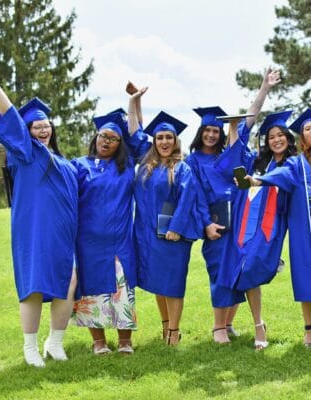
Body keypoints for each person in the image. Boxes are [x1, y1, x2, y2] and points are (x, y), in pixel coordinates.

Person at [0, 67, 78, 367]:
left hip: (63, 235)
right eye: (36, 127)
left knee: (68, 283)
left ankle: (55, 342)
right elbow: (8, 114)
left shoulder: (64, 163)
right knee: (33, 287)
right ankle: (30, 347)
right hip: (33, 231)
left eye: (46, 125)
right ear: (26, 133)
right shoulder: (26, 153)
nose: (43, 130)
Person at [185, 68, 281, 344]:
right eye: (208, 131)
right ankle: (218, 327)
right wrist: (206, 224)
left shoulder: (234, 151)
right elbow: (196, 196)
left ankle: (228, 324)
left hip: (241, 220)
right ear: (201, 132)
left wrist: (264, 88)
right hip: (216, 223)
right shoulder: (193, 162)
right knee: (218, 272)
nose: (212, 135)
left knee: (240, 270)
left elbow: (249, 119)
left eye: (217, 130)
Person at [249, 108, 311, 349]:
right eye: (307, 129)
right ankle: (308, 330)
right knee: (307, 278)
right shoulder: (296, 163)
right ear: (303, 138)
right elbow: (280, 173)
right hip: (303, 232)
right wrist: (257, 180)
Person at [214, 110, 296, 349]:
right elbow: (235, 156)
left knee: (250, 268)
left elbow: (286, 177)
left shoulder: (292, 162)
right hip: (244, 223)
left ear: (288, 138)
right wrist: (232, 128)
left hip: (269, 227)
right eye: (271, 137)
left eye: (281, 135)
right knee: (243, 270)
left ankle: (256, 324)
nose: (277, 140)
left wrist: (260, 180)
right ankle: (258, 325)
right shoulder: (257, 161)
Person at [71, 104, 148, 355]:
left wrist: (134, 104)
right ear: (95, 137)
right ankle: (99, 342)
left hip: (119, 240)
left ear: (119, 144)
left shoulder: (126, 166)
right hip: (88, 241)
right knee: (91, 289)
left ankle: (125, 341)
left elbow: (139, 139)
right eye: (103, 136)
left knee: (122, 288)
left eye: (113, 139)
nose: (106, 141)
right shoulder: (80, 165)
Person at [131, 107, 203, 346]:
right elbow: (135, 130)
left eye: (168, 137)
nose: (164, 141)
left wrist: (176, 228)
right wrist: (134, 101)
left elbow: (187, 199)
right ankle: (164, 327)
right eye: (160, 137)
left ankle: (174, 331)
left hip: (172, 236)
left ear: (175, 141)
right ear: (154, 141)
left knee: (172, 284)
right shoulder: (145, 163)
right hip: (147, 233)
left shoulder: (182, 168)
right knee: (157, 282)